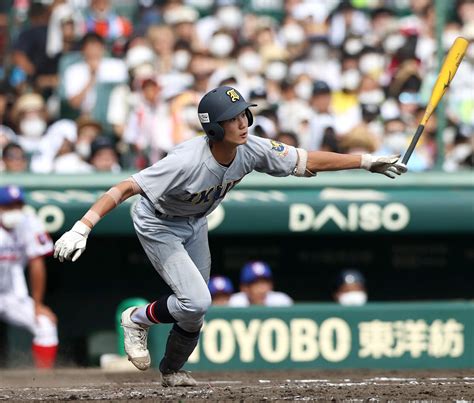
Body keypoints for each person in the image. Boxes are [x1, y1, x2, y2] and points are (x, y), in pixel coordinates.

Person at [53, 85, 406, 387]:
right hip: (157, 222)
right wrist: (82, 226)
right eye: (233, 118)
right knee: (197, 301)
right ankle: (137, 318)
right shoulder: (185, 161)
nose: (242, 123)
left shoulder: (250, 149)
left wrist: (364, 161)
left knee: (194, 310)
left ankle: (172, 370)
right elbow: (127, 186)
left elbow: (306, 160)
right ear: (214, 128)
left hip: (195, 221)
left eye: (244, 115)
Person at [0, 185, 58, 368]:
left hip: (12, 295)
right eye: (9, 206)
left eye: (18, 205)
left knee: (45, 324)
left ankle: (43, 383)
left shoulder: (29, 221)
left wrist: (38, 304)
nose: (14, 211)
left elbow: (37, 262)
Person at [228, 261, 293, 307]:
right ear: (244, 288)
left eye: (265, 283)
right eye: (256, 284)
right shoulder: (235, 303)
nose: (262, 289)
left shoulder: (281, 301)